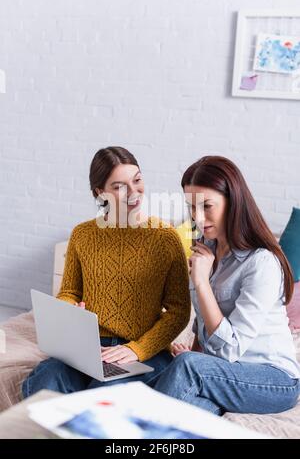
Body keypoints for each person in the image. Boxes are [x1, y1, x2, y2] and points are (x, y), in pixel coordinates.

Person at [22, 147, 190, 397]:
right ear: (100, 192)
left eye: (137, 179)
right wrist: (68, 309)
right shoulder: (83, 234)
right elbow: (70, 290)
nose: (134, 192)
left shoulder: (165, 239)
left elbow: (178, 311)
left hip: (143, 353)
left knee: (105, 393)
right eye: (120, 186)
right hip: (87, 349)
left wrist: (137, 349)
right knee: (45, 380)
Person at [154, 155, 300, 416]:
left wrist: (201, 282)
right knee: (177, 385)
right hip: (225, 372)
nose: (197, 218)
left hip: (274, 381)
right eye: (191, 208)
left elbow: (230, 349)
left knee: (188, 367)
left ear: (233, 202)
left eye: (207, 206)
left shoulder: (261, 262)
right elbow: (203, 324)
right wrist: (195, 351)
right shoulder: (204, 250)